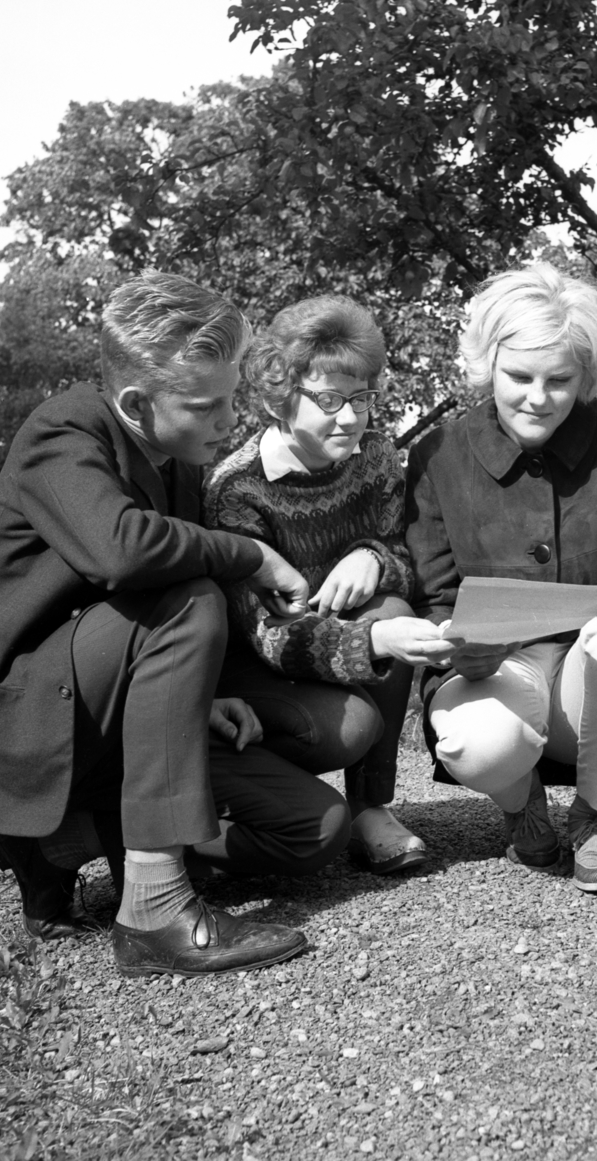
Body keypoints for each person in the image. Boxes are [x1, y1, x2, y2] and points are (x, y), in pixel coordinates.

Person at [0, 271, 348, 977]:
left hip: (99, 699)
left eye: (231, 398)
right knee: (192, 596)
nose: (230, 421)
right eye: (207, 405)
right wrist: (253, 555)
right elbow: (122, 551)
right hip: (25, 706)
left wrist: (205, 693)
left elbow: (148, 613)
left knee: (316, 830)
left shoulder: (177, 458)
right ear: (136, 402)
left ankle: (60, 842)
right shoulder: (64, 430)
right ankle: (155, 907)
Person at [405, 263, 597, 894]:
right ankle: (522, 807)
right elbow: (434, 596)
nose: (538, 399)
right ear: (488, 364)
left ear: (585, 375)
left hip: (593, 679)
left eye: (560, 381)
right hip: (490, 674)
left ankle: (596, 819)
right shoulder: (437, 454)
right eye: (519, 377)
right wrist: (455, 645)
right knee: (478, 744)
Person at [204, 294, 438, 876]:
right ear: (279, 398)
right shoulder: (237, 490)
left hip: (341, 634)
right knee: (353, 725)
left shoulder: (376, 457)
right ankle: (224, 788)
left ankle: (369, 808)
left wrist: (373, 556)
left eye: (362, 398)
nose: (351, 418)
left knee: (392, 606)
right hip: (259, 667)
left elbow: (405, 560)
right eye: (329, 400)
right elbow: (266, 634)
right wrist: (374, 642)